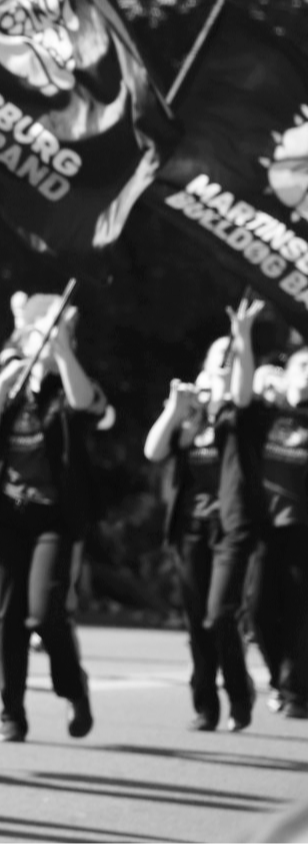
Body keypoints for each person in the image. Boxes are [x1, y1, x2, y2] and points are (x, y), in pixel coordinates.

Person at [0, 293, 102, 742]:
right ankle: (12, 712)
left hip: (53, 518)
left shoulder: (69, 386)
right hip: (3, 517)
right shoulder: (11, 385)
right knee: (5, 617)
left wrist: (59, 346)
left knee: (44, 613)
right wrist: (5, 381)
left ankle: (72, 687)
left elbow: (85, 403)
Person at [145, 309, 258, 732]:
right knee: (196, 621)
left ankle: (239, 693)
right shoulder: (188, 415)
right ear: (204, 369)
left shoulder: (239, 415)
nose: (226, 365)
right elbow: (153, 452)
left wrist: (242, 334)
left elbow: (243, 388)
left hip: (229, 529)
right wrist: (176, 412)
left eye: (233, 359)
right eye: (219, 359)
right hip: (189, 529)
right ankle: (205, 705)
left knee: (219, 614)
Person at [234, 310, 308, 721]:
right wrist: (243, 336)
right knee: (258, 609)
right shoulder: (263, 416)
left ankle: (296, 689)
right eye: (303, 367)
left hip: (303, 530)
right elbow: (241, 396)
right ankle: (282, 678)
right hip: (266, 528)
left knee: (301, 612)